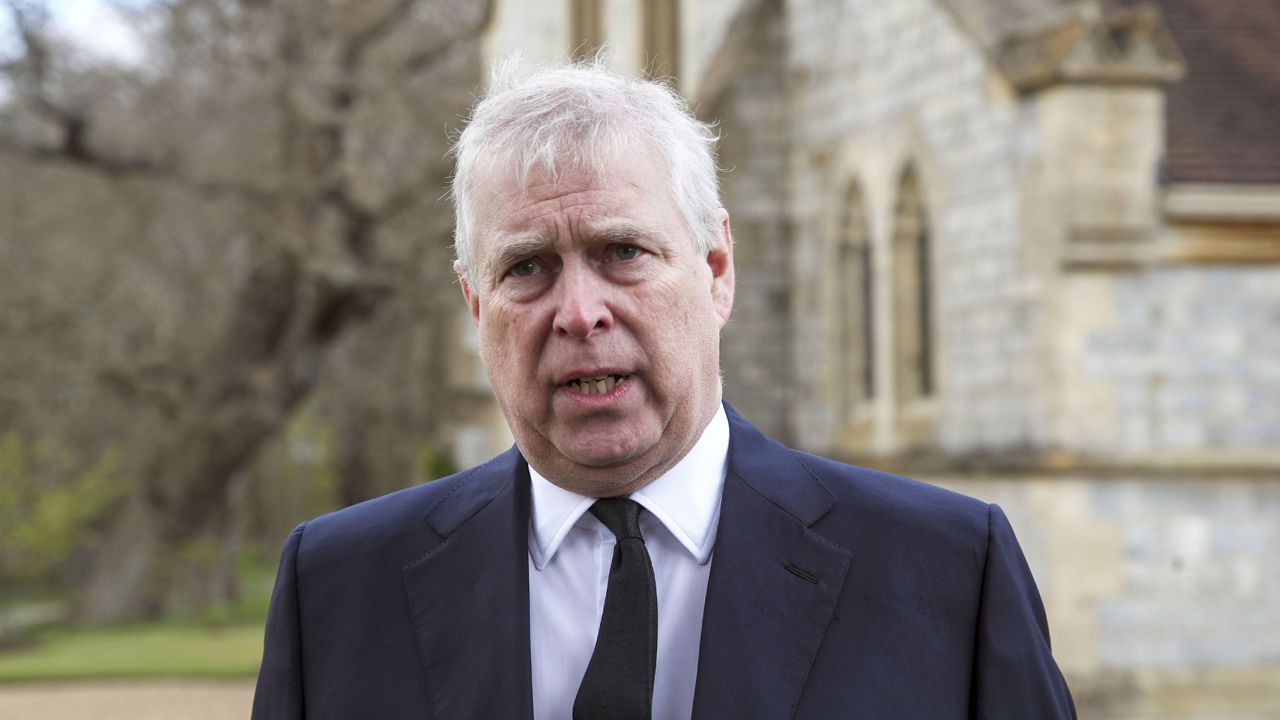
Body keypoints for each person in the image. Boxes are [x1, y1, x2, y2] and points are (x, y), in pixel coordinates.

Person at [251, 60, 1077, 720]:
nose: (579, 313)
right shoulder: (337, 590)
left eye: (622, 252)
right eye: (528, 267)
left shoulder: (946, 575)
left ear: (716, 271)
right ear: (476, 305)